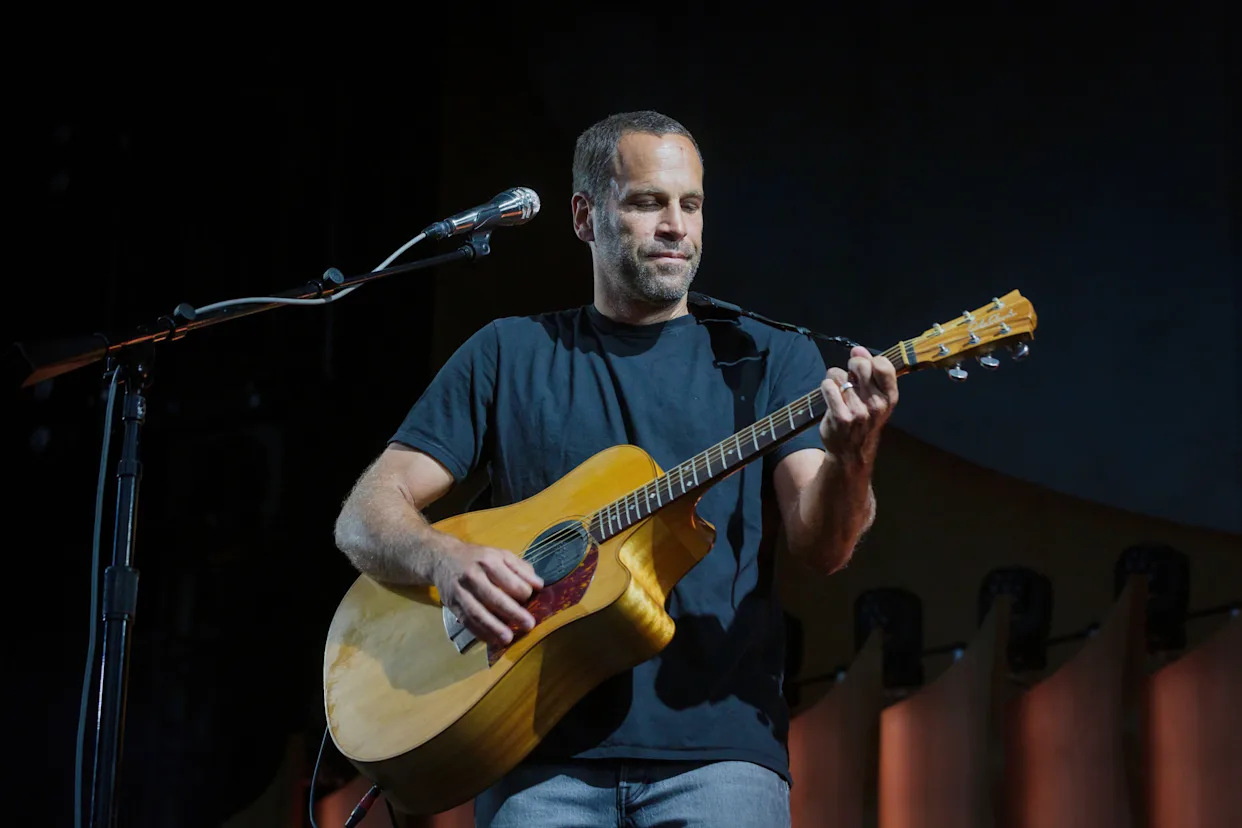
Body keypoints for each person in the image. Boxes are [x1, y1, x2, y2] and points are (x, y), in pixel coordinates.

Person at [333, 110, 898, 827]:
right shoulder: (508, 354)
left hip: (719, 756)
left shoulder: (768, 360)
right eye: (647, 202)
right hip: (532, 757)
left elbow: (824, 548)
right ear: (583, 215)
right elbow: (365, 514)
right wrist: (443, 558)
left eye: (690, 205)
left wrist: (853, 457)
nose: (676, 225)